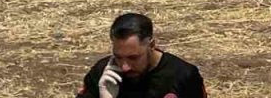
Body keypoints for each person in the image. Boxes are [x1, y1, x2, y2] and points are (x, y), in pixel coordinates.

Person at [77, 13, 206, 98]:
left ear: (151, 45)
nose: (125, 67)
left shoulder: (183, 75)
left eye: (133, 58)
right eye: (118, 57)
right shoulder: (103, 74)